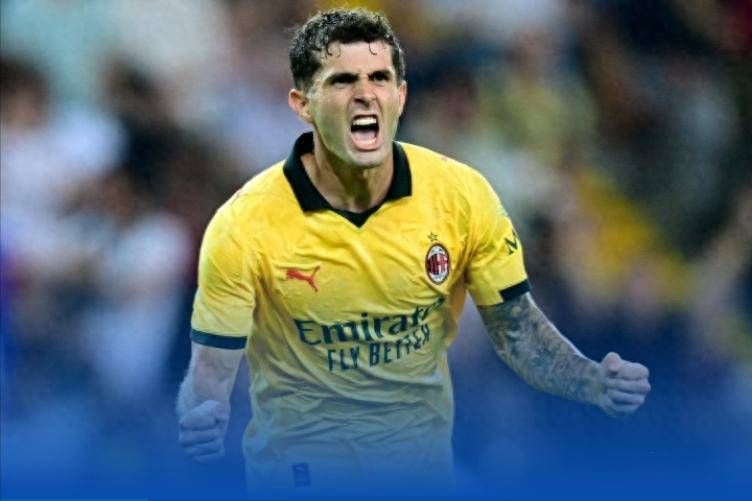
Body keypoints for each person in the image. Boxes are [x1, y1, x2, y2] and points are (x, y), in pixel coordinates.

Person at [176, 7, 651, 496]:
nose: (365, 95)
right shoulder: (246, 223)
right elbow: (213, 366)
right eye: (342, 81)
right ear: (303, 103)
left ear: (400, 96)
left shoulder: (462, 194)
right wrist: (202, 416)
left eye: (379, 78)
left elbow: (518, 330)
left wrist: (590, 379)